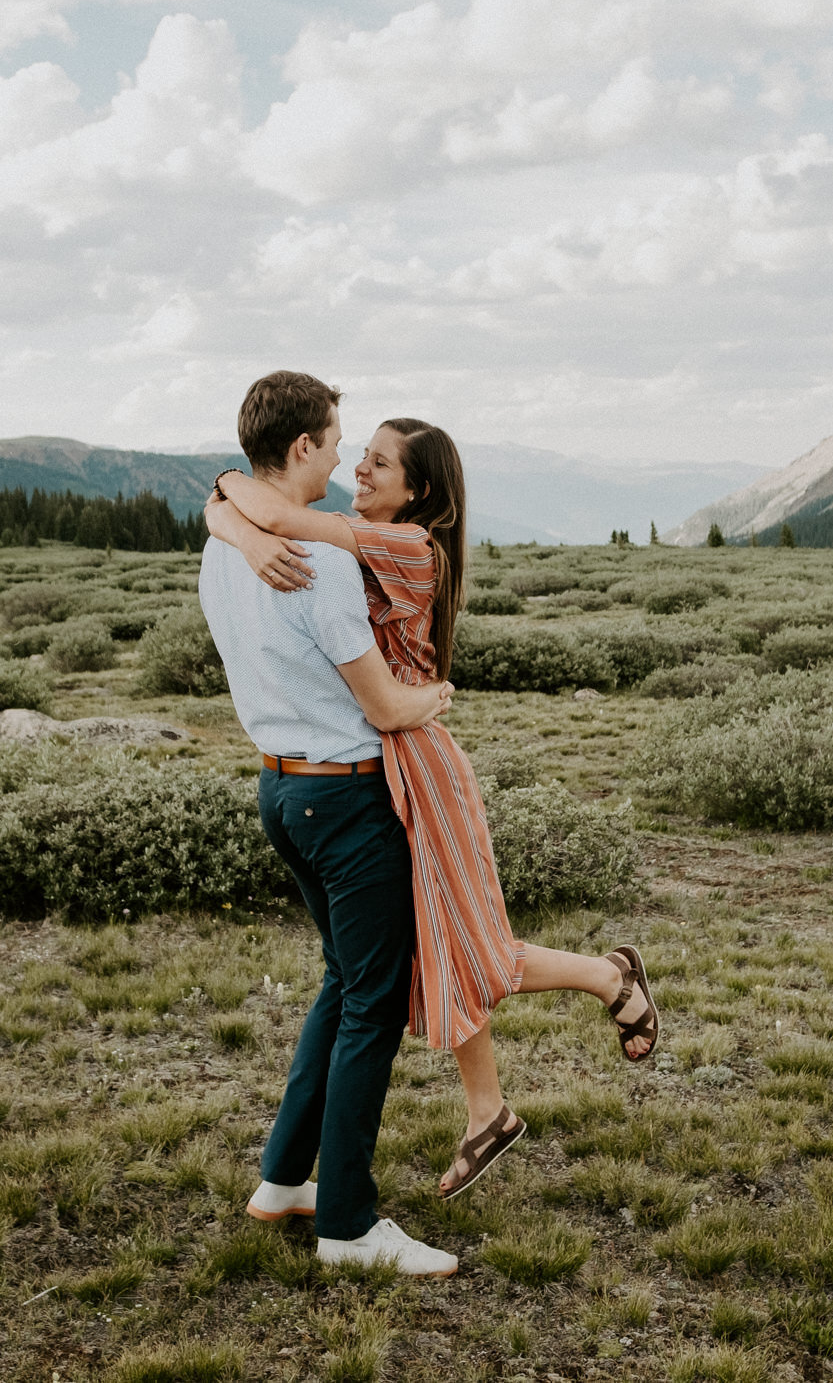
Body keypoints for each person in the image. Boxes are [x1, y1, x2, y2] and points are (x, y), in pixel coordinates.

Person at [205, 415, 659, 1205]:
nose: (361, 469)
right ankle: (496, 1101)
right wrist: (233, 528)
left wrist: (242, 524)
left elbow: (266, 510)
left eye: (381, 464)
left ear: (418, 491)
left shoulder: (408, 547)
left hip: (416, 757)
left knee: (463, 940)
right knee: (444, 940)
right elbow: (232, 502)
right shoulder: (354, 532)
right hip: (388, 756)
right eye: (363, 455)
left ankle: (607, 980)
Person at [195, 371, 463, 1278]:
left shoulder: (221, 549)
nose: (346, 454)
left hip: (278, 791)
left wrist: (227, 505)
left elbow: (227, 508)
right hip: (345, 797)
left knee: (342, 981)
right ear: (303, 447)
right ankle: (348, 1222)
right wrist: (433, 698)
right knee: (373, 1005)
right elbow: (384, 705)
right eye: (338, 439)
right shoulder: (328, 562)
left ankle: (283, 1179)